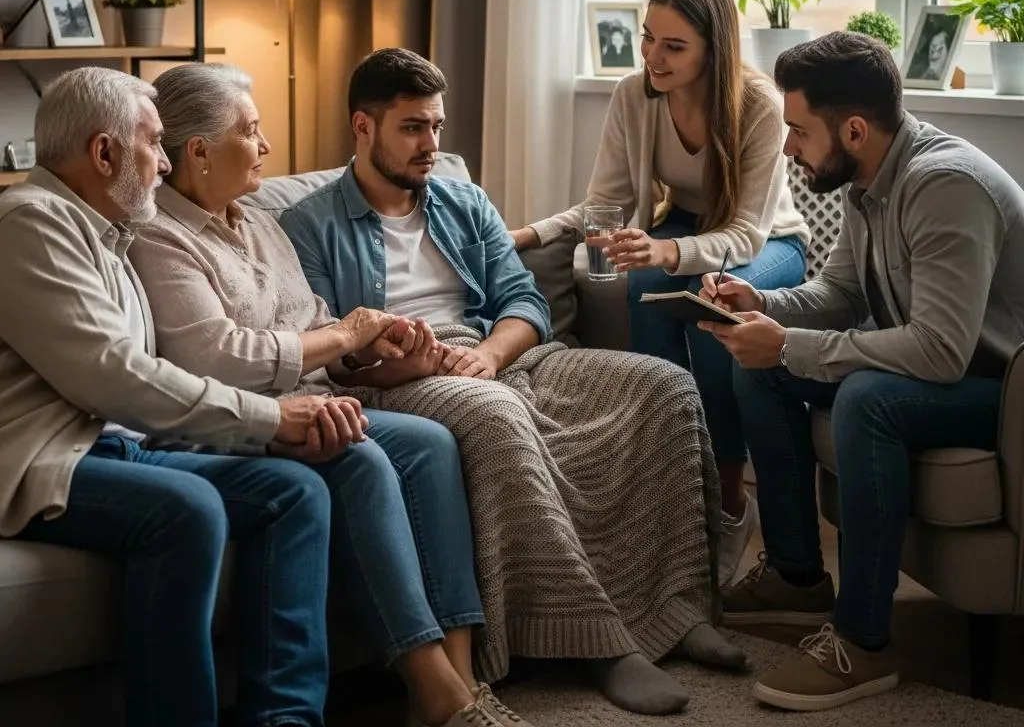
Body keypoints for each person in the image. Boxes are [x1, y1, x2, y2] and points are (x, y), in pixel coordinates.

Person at [278, 46, 751, 718]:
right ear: (363, 127)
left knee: (662, 386)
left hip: (499, 357)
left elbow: (524, 301)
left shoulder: (462, 199)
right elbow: (324, 350)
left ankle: (677, 609)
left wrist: (494, 355)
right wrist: (404, 361)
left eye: (437, 127)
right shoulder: (309, 225)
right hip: (399, 381)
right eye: (413, 127)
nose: (431, 145)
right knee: (496, 422)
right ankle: (599, 640)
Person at [129, 64, 531, 727]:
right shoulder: (159, 238)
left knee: (432, 442)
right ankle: (432, 686)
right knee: (360, 458)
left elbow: (313, 321)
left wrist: (374, 354)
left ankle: (461, 677)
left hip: (317, 397)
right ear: (196, 151)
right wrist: (345, 334)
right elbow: (218, 356)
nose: (265, 149)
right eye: (251, 133)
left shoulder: (257, 221)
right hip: (231, 417)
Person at [0, 67, 348, 727]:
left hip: (115, 446)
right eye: (154, 143)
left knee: (295, 492)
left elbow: (144, 381)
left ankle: (286, 721)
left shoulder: (110, 233)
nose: (165, 163)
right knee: (186, 509)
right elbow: (117, 376)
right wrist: (271, 416)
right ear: (103, 153)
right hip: (40, 459)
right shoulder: (28, 224)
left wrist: (265, 431)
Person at [695, 31, 1024, 711]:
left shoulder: (945, 187)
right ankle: (795, 575)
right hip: (953, 369)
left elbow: (941, 351)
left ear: (852, 128)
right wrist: (763, 304)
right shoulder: (866, 174)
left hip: (1004, 391)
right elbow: (840, 295)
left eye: (799, 131)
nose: (790, 148)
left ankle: (864, 643)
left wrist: (788, 344)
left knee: (867, 398)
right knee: (758, 366)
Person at [513, 0, 810, 587]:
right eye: (649, 39)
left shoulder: (760, 107)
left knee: (708, 309)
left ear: (714, 51)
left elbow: (746, 237)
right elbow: (607, 205)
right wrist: (530, 235)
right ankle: (676, 503)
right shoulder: (633, 94)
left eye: (673, 46)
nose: (651, 56)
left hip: (767, 241)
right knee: (641, 290)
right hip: (682, 229)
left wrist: (666, 254)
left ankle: (729, 508)